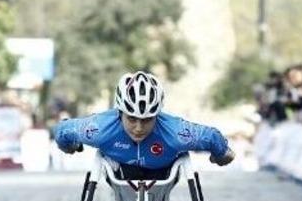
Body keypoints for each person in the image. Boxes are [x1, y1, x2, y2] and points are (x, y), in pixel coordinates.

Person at [54, 71, 235, 180]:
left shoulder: (176, 132)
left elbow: (211, 137)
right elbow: (62, 130)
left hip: (162, 173)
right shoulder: (99, 128)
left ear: (157, 114)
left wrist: (221, 154)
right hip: (120, 172)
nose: (139, 128)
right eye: (132, 119)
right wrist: (70, 146)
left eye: (147, 119)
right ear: (120, 113)